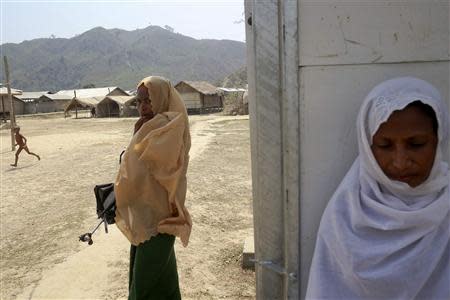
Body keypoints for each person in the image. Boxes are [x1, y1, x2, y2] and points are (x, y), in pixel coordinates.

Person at [306, 77, 449, 299]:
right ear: (368, 147)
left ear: (439, 140)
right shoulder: (345, 213)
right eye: (384, 146)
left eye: (416, 144)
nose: (400, 161)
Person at [114, 76, 192, 300]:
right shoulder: (149, 127)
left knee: (143, 285)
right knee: (164, 282)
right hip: (145, 218)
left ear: (162, 98)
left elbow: (155, 168)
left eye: (148, 100)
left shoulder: (168, 126)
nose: (143, 107)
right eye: (138, 102)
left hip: (160, 221)